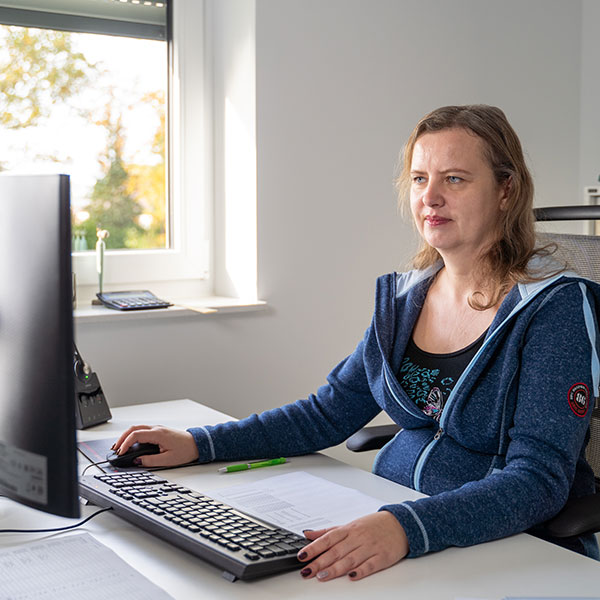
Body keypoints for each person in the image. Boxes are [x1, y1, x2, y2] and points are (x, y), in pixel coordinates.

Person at [113, 104, 600, 581]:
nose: (430, 198)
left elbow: (537, 480)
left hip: (508, 549)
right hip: (398, 523)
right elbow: (327, 412)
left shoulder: (553, 307)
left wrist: (404, 528)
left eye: (454, 179)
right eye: (419, 179)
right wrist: (200, 443)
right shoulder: (406, 298)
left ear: (505, 190)